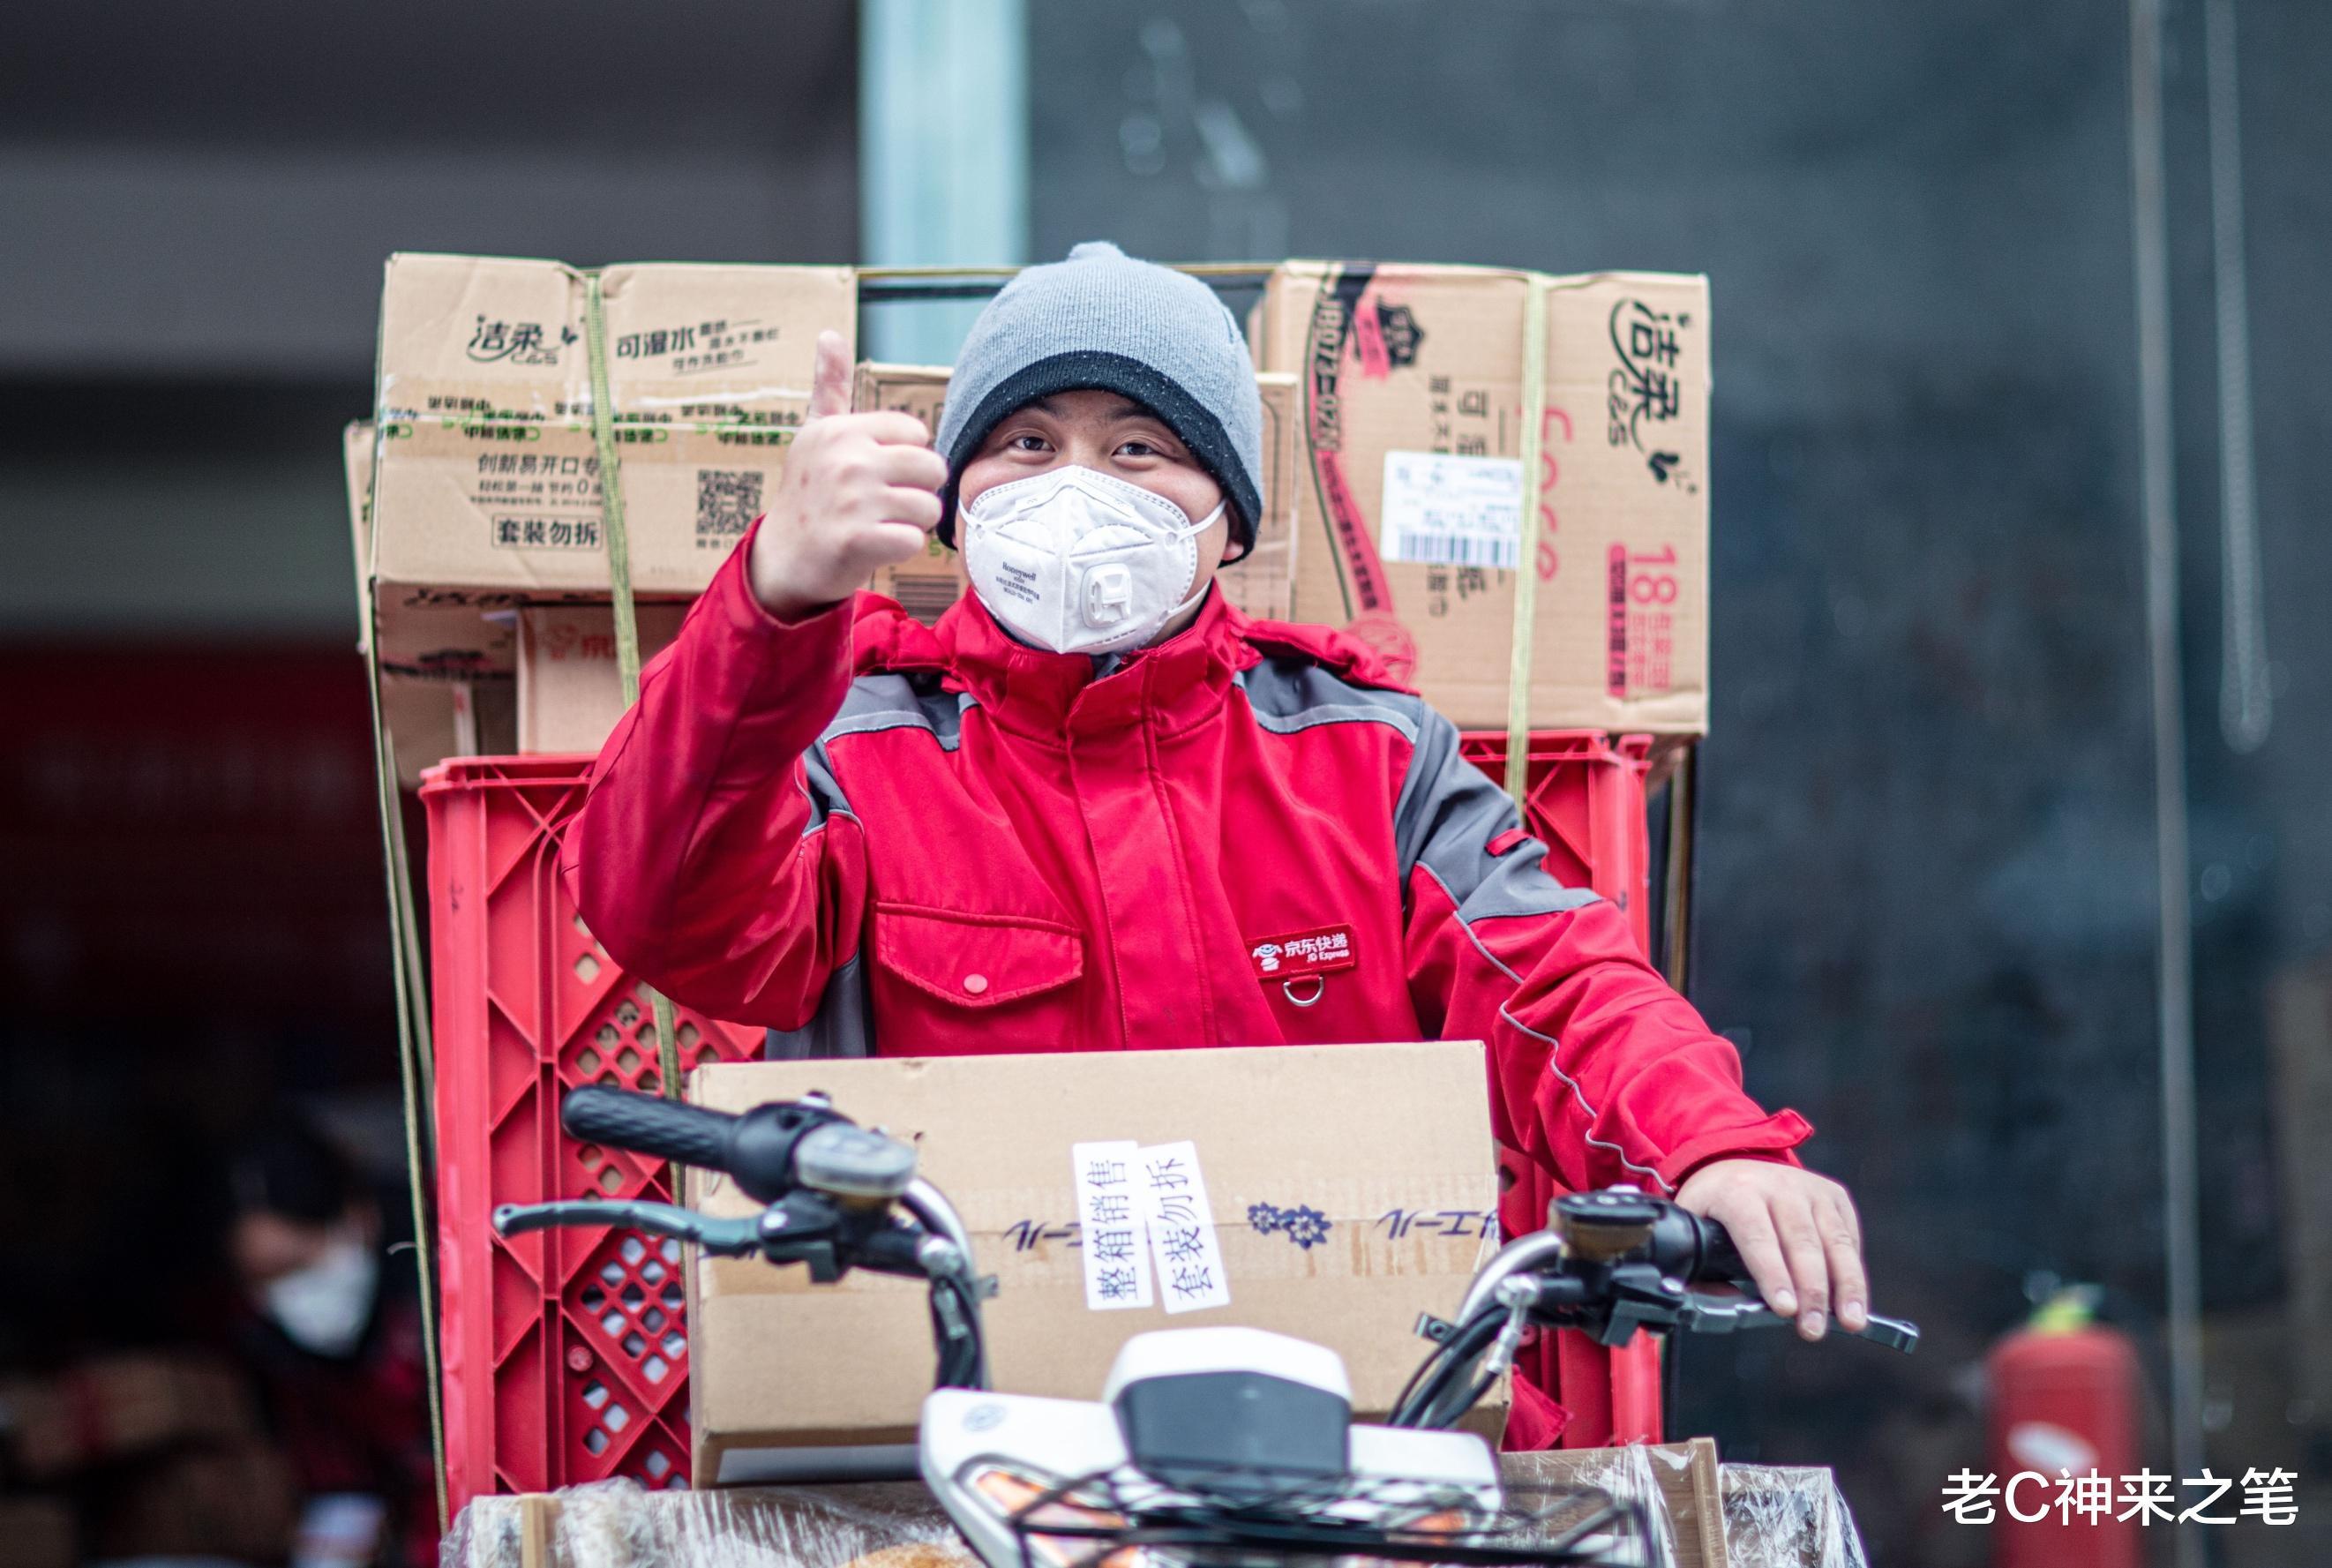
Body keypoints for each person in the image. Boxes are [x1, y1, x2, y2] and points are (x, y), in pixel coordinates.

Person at [565, 241, 1866, 1446]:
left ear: (1226, 520)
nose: (1075, 485)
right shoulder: (855, 748)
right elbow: (664, 905)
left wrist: (1710, 1143)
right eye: (1024, 441)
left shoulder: (1365, 757)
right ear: (954, 502)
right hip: (955, 1459)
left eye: (1137, 448)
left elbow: (1556, 981)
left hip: (1346, 1444)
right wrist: (774, 599)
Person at [221, 1114, 436, 1567]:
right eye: (261, 1281)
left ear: (359, 1217)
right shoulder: (281, 1352)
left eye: (295, 1265)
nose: (287, 1295)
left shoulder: (441, 1284)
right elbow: (341, 1487)